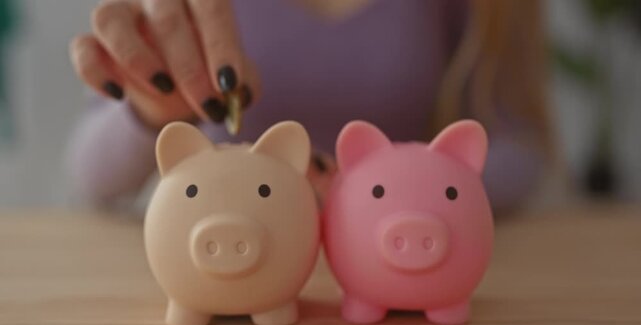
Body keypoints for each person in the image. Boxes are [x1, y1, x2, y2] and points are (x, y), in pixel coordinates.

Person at [68, 0, 549, 213]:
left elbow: (520, 145)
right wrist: (155, 109)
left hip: (398, 291)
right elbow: (88, 174)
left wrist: (397, 193)